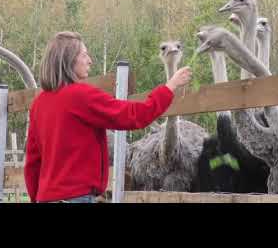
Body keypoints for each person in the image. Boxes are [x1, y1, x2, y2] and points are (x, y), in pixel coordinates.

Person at [24, 31, 192, 203]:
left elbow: (32, 163)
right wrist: (170, 86)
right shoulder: (81, 96)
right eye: (84, 55)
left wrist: (35, 198)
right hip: (77, 197)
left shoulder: (39, 104)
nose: (90, 60)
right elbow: (134, 115)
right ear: (69, 59)